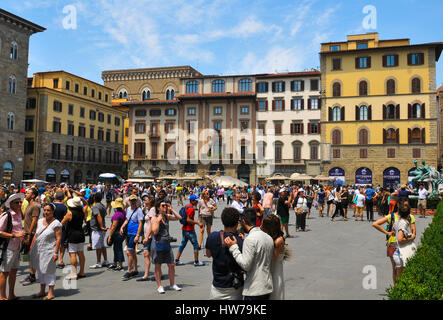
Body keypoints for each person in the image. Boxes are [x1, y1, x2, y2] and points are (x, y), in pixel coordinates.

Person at [224, 208, 274, 300]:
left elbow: (246, 265)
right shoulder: (268, 237)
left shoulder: (250, 239)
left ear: (243, 221)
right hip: (267, 286)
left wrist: (233, 247)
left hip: (254, 288)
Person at [372, 200, 416, 285]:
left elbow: (375, 224)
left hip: (393, 243)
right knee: (400, 268)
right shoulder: (408, 217)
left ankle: (397, 289)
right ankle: (397, 288)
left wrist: (388, 233)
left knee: (397, 268)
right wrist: (411, 237)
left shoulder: (394, 217)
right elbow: (414, 233)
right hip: (401, 245)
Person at [205, 207, 244, 300]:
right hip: (235, 286)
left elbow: (208, 254)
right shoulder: (240, 240)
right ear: (237, 222)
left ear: (223, 220)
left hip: (217, 286)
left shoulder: (213, 236)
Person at [29, 203, 62, 300]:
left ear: (53, 212)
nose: (46, 212)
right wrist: (31, 247)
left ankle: (51, 292)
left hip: (49, 250)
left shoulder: (56, 223)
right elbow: (36, 235)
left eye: (48, 210)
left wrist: (56, 253)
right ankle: (42, 290)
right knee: (40, 270)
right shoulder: (39, 221)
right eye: (45, 210)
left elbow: (58, 239)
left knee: (49, 271)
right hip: (38, 250)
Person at [150, 200, 183, 294]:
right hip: (157, 243)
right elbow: (155, 231)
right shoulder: (154, 218)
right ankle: (159, 286)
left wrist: (171, 209)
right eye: (163, 205)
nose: (165, 207)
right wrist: (158, 220)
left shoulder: (167, 217)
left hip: (167, 243)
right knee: (158, 265)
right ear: (158, 208)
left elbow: (179, 218)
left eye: (166, 205)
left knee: (171, 264)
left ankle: (173, 284)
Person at [0, 194, 26, 300]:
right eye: (17, 202)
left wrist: (23, 235)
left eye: (20, 202)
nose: (20, 204)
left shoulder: (19, 214)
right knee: (4, 273)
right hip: (8, 247)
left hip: (17, 247)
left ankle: (11, 295)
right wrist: (14, 235)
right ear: (11, 204)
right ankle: (3, 297)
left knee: (14, 272)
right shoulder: (6, 215)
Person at [175, 195, 205, 266]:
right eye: (196, 200)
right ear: (192, 201)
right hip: (190, 230)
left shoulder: (187, 206)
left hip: (184, 229)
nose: (197, 202)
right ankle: (196, 261)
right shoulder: (191, 209)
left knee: (182, 245)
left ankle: (177, 260)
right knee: (195, 245)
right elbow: (188, 220)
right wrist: (198, 223)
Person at [261, 214, 286, 300]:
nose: (261, 227)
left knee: (275, 294)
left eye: (263, 225)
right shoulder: (271, 237)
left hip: (275, 270)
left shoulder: (278, 240)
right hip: (271, 270)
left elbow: (273, 258)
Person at [61, 197, 86, 280]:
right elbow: (86, 204)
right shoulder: (82, 211)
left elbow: (62, 222)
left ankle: (74, 273)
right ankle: (82, 271)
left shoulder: (70, 213)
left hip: (72, 234)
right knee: (81, 253)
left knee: (73, 254)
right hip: (80, 233)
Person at [120, 194, 144, 280]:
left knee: (129, 252)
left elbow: (140, 223)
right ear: (129, 201)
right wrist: (122, 226)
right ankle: (136, 270)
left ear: (137, 201)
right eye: (132, 200)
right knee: (132, 252)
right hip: (128, 232)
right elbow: (127, 219)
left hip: (134, 233)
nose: (133, 202)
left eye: (135, 200)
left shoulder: (139, 210)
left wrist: (138, 235)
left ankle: (129, 271)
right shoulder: (128, 209)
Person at [392, 203, 417, 281]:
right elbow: (400, 240)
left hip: (398, 252)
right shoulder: (403, 223)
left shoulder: (398, 222)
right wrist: (411, 237)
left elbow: (393, 232)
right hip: (401, 254)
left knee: (400, 276)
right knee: (402, 278)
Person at [21, 188, 41, 286]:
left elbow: (34, 220)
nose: (25, 194)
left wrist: (29, 234)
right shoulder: (29, 205)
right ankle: (31, 274)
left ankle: (32, 276)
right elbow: (24, 218)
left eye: (28, 193)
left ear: (33, 195)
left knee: (31, 255)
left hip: (31, 233)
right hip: (27, 232)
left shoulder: (35, 206)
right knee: (27, 255)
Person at [89, 193, 110, 269]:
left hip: (97, 229)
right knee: (101, 245)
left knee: (98, 246)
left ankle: (98, 262)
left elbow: (98, 216)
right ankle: (105, 260)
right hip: (101, 228)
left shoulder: (96, 206)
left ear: (94, 198)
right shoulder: (102, 205)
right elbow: (105, 213)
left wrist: (101, 226)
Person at [138, 195, 156, 281]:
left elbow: (152, 224)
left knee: (152, 255)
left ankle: (157, 273)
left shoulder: (152, 210)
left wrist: (147, 236)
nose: (144, 200)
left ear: (150, 201)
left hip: (151, 236)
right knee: (146, 254)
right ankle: (146, 274)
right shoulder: (149, 209)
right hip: (147, 236)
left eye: (146, 200)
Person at [107, 198, 126, 271]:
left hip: (117, 233)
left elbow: (114, 226)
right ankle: (115, 263)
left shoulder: (116, 215)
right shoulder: (123, 212)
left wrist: (110, 236)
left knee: (118, 249)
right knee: (116, 248)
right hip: (121, 232)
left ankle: (120, 264)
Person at [53, 191, 68, 269]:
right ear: (62, 198)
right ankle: (60, 260)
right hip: (61, 227)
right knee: (62, 244)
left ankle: (51, 259)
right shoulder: (64, 207)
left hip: (52, 226)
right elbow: (65, 218)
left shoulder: (52, 205)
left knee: (53, 243)